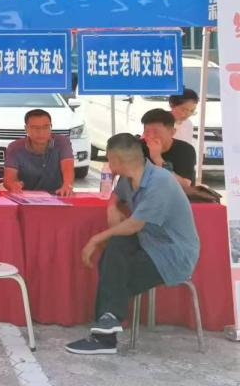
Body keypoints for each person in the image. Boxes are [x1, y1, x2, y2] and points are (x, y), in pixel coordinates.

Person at [65, 134, 199, 355]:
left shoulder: (160, 182)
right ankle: (107, 325)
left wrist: (95, 239)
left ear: (115, 160)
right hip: (147, 243)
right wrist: (112, 207)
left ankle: (105, 335)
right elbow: (117, 195)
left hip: (172, 255)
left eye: (109, 159)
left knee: (114, 274)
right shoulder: (128, 179)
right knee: (115, 251)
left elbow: (135, 224)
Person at [3, 109, 74, 196]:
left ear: (51, 127)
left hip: (58, 196)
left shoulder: (62, 142)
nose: (41, 132)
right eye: (35, 128)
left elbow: (68, 168)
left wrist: (67, 185)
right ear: (26, 129)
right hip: (26, 197)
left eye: (45, 127)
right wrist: (13, 185)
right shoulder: (15, 147)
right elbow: (9, 179)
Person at [139, 108, 197, 195]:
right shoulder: (137, 147)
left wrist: (157, 159)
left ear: (172, 132)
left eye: (156, 132)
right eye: (147, 132)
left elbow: (185, 185)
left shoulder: (185, 150)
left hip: (176, 198)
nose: (150, 136)